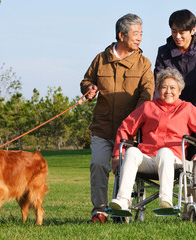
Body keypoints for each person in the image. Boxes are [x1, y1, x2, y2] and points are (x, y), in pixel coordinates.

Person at [80, 13, 155, 223]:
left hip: (130, 132)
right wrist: (89, 88)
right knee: (98, 166)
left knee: (126, 169)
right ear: (121, 35)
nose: (140, 38)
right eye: (136, 33)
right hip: (102, 127)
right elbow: (86, 80)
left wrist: (136, 119)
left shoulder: (143, 63)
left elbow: (148, 93)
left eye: (141, 33)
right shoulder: (100, 59)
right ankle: (100, 211)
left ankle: (122, 209)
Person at [109, 67, 196, 211]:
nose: (168, 91)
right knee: (132, 152)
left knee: (165, 152)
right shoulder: (148, 107)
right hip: (147, 158)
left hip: (174, 159)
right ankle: (123, 200)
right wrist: (117, 154)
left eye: (173, 87)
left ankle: (165, 201)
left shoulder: (187, 108)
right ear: (158, 90)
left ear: (180, 90)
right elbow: (125, 128)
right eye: (164, 87)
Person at [154, 9, 196, 122]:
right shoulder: (163, 51)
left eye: (182, 32)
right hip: (173, 110)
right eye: (174, 31)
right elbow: (158, 82)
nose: (177, 36)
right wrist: (155, 109)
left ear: (192, 30)